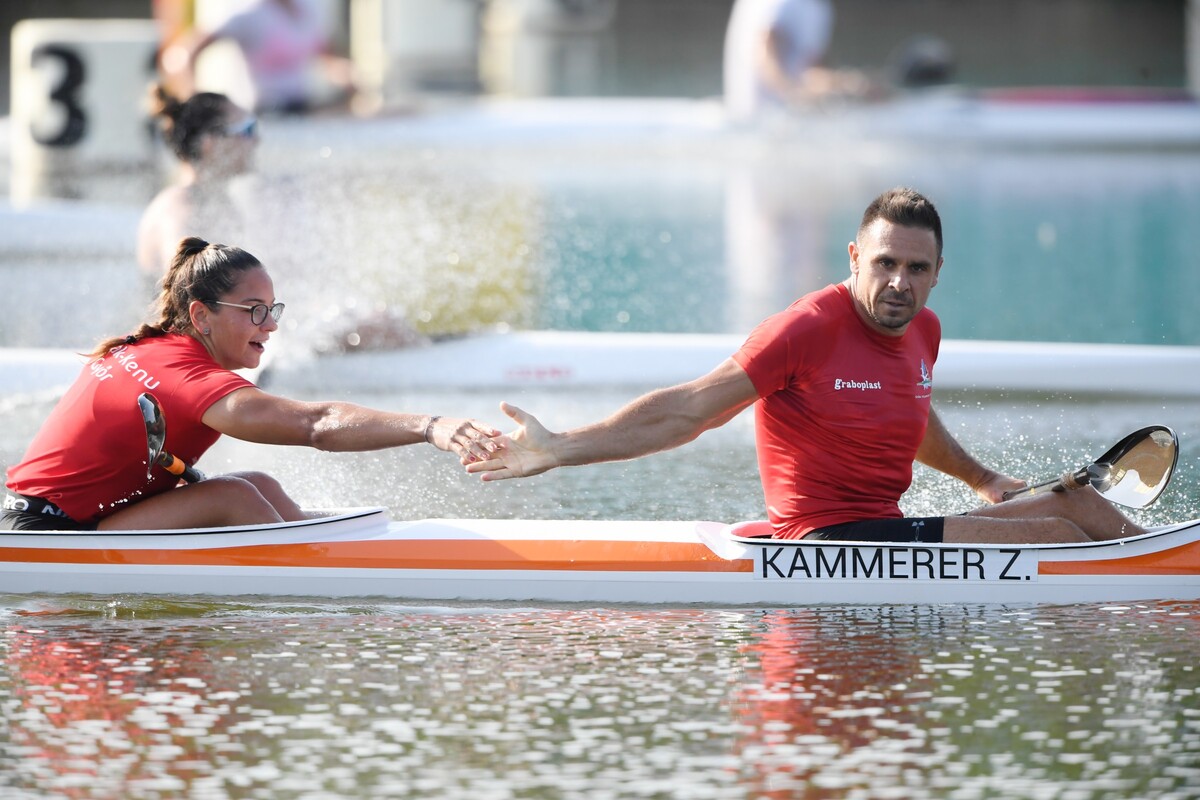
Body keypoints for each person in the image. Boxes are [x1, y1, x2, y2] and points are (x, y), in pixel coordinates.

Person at [467, 187, 1146, 545]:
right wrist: (560, 449)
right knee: (1058, 527)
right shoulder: (805, 330)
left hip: (884, 526)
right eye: (885, 264)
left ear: (939, 275)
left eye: (916, 269)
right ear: (854, 258)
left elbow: (908, 406)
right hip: (822, 539)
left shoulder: (922, 332)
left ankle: (1174, 568)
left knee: (1079, 499)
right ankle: (1170, 581)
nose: (899, 283)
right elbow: (689, 409)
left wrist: (981, 476)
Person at [2, 237, 498, 532]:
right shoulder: (183, 374)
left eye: (273, 310)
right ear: (202, 315)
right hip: (46, 530)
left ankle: (332, 566)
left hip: (64, 516)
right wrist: (430, 426)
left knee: (256, 484)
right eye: (255, 312)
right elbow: (317, 425)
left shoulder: (157, 351)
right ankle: (320, 595)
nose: (271, 325)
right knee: (233, 499)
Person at [138, 86, 258, 286]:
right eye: (247, 130)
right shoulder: (181, 207)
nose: (256, 141)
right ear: (209, 142)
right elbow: (189, 291)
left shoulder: (214, 202)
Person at [187, 0, 354, 114]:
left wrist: (345, 75)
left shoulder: (308, 9)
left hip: (303, 109)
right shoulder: (250, 14)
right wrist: (193, 100)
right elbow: (186, 53)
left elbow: (325, 54)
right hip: (265, 113)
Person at [723, 0, 870, 122]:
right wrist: (794, 93)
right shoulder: (781, 3)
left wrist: (847, 84)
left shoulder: (818, 8)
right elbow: (764, 55)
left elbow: (810, 71)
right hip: (762, 121)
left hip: (787, 120)